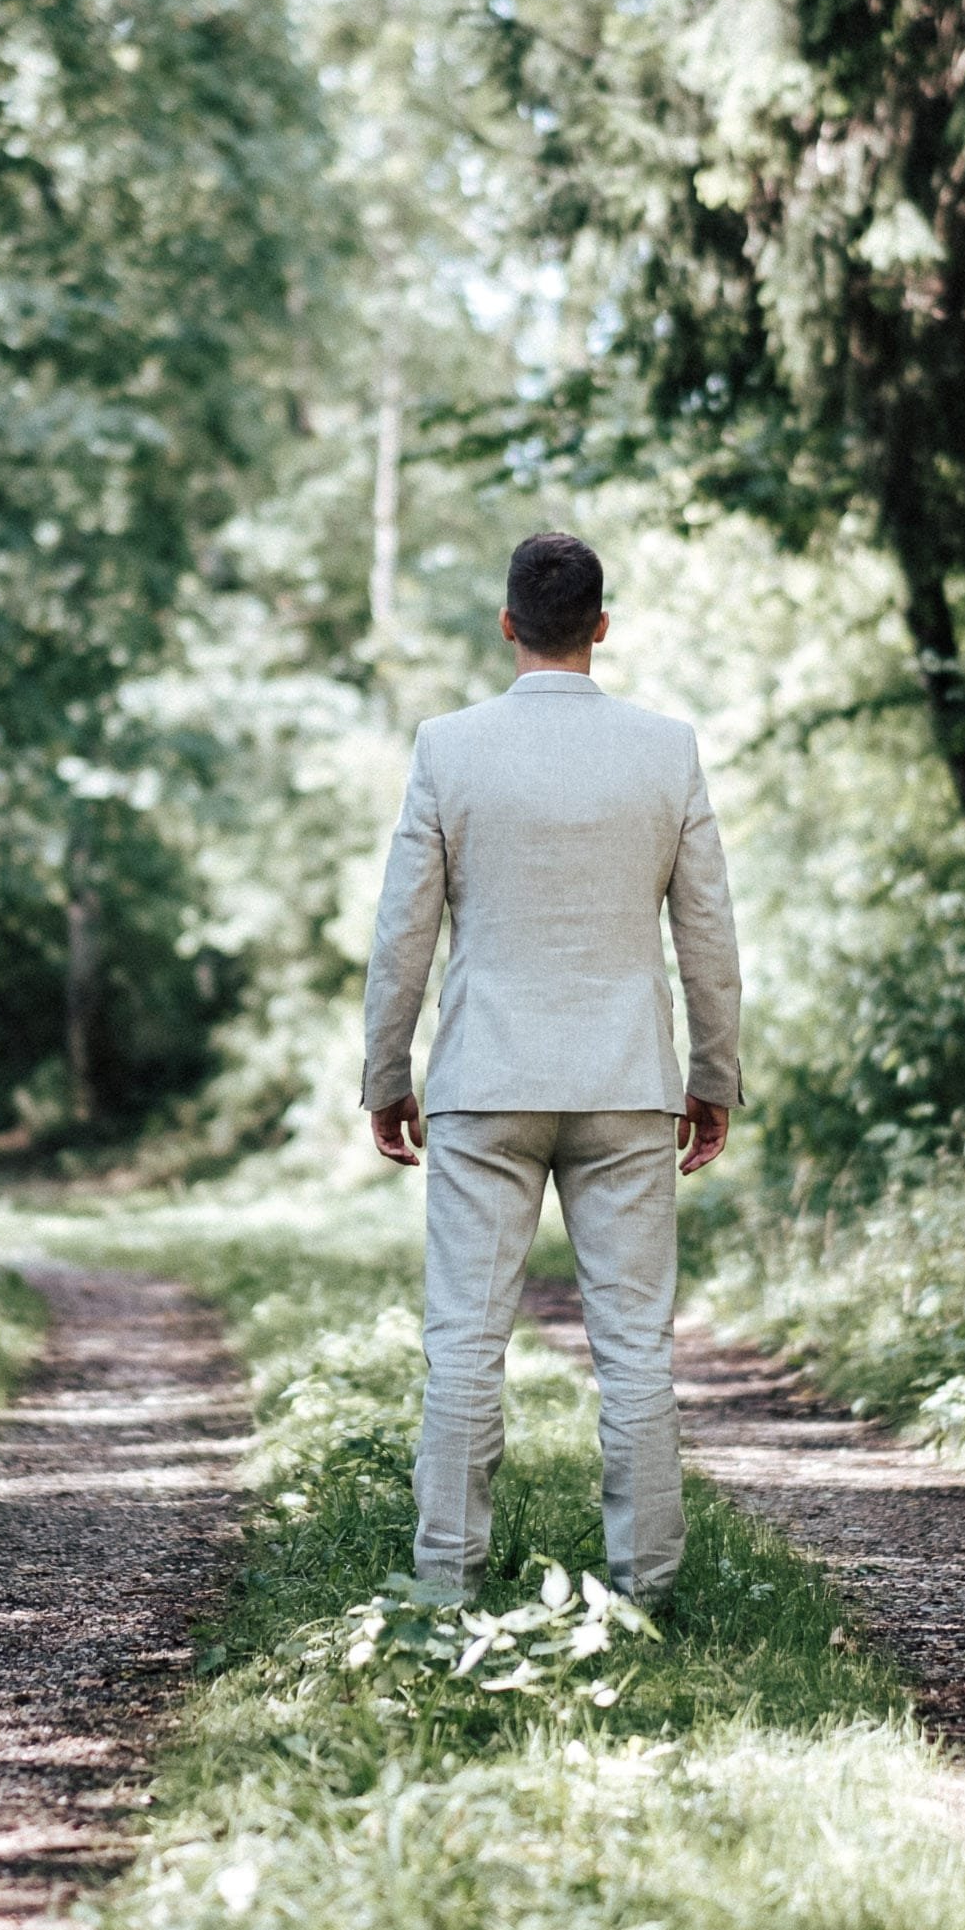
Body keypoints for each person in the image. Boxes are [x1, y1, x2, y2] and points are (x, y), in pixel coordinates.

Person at [361, 530, 743, 1604]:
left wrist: (384, 1072)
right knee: (633, 1352)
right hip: (626, 1084)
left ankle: (443, 1591)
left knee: (465, 1344)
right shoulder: (664, 749)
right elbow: (706, 931)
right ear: (601, 627)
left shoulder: (448, 747)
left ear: (507, 626)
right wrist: (711, 1075)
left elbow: (404, 929)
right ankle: (648, 1595)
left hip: (484, 1083)